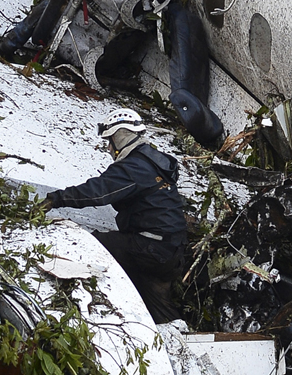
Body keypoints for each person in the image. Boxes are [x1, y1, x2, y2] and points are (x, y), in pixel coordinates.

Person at [41, 109, 187, 323]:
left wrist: (56, 199)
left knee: (92, 243)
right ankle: (179, 337)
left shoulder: (135, 167)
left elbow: (98, 191)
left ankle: (78, 307)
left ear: (120, 137)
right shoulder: (153, 164)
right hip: (171, 251)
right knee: (160, 310)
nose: (109, 149)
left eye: (110, 142)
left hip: (150, 247)